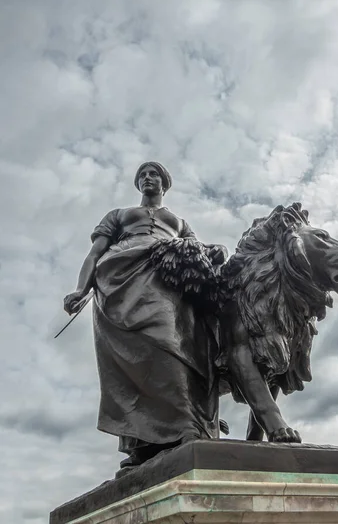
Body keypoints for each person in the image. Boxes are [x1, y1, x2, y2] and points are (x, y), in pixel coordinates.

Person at [64, 162, 226, 467]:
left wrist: (218, 249)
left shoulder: (177, 222)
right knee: (131, 359)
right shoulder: (119, 215)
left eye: (153, 175)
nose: (147, 178)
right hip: (120, 281)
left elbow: (199, 249)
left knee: (171, 344)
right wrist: (80, 289)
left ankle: (186, 424)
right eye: (142, 175)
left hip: (164, 280)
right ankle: (141, 441)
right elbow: (94, 254)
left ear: (164, 183)